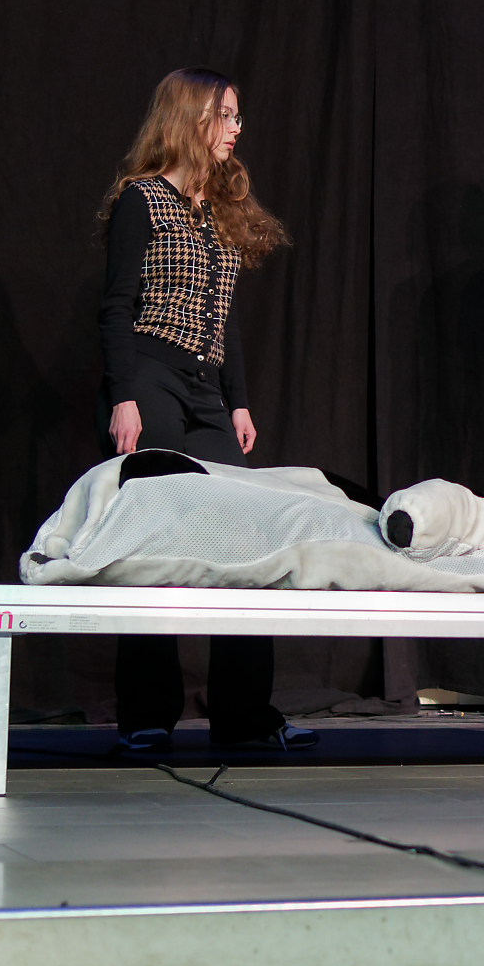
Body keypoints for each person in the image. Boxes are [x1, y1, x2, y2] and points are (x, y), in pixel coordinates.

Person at [97, 67, 309, 752]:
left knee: (244, 537)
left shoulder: (215, 209)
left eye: (238, 117)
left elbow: (227, 320)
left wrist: (237, 402)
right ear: (191, 118)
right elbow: (117, 306)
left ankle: (243, 713)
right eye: (226, 115)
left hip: (204, 388)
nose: (236, 129)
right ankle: (147, 712)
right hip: (151, 374)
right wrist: (124, 395)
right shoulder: (142, 200)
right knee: (156, 536)